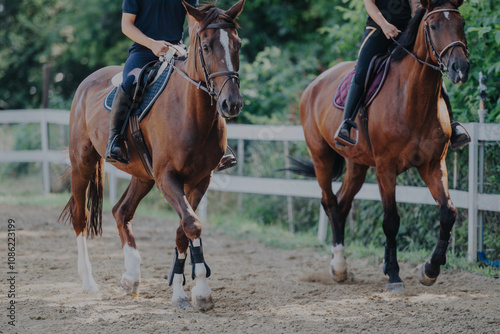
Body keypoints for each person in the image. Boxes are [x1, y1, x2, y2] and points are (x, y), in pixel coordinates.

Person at [106, 0, 237, 169]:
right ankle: (115, 139)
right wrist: (152, 44)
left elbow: (193, 23)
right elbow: (126, 25)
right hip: (144, 51)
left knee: (203, 81)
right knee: (130, 82)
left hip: (176, 50)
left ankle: (215, 149)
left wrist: (192, 45)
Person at [334, 0, 470, 149]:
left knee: (430, 68)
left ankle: (452, 125)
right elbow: (370, 4)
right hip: (378, 29)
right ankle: (346, 123)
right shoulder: (380, 25)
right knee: (362, 70)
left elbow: (416, 5)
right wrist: (385, 25)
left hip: (406, 30)